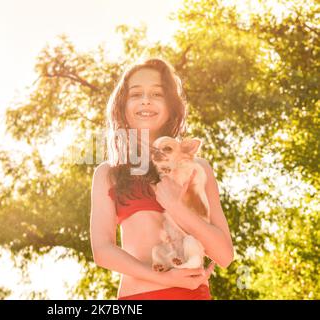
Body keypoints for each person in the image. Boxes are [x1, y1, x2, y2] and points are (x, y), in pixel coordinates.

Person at [89, 58, 234, 300]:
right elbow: (102, 251)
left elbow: (224, 255)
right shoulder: (109, 173)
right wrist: (164, 278)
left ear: (170, 105)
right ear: (123, 106)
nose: (146, 100)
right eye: (136, 94)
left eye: (157, 93)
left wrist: (176, 206)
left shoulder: (198, 169)